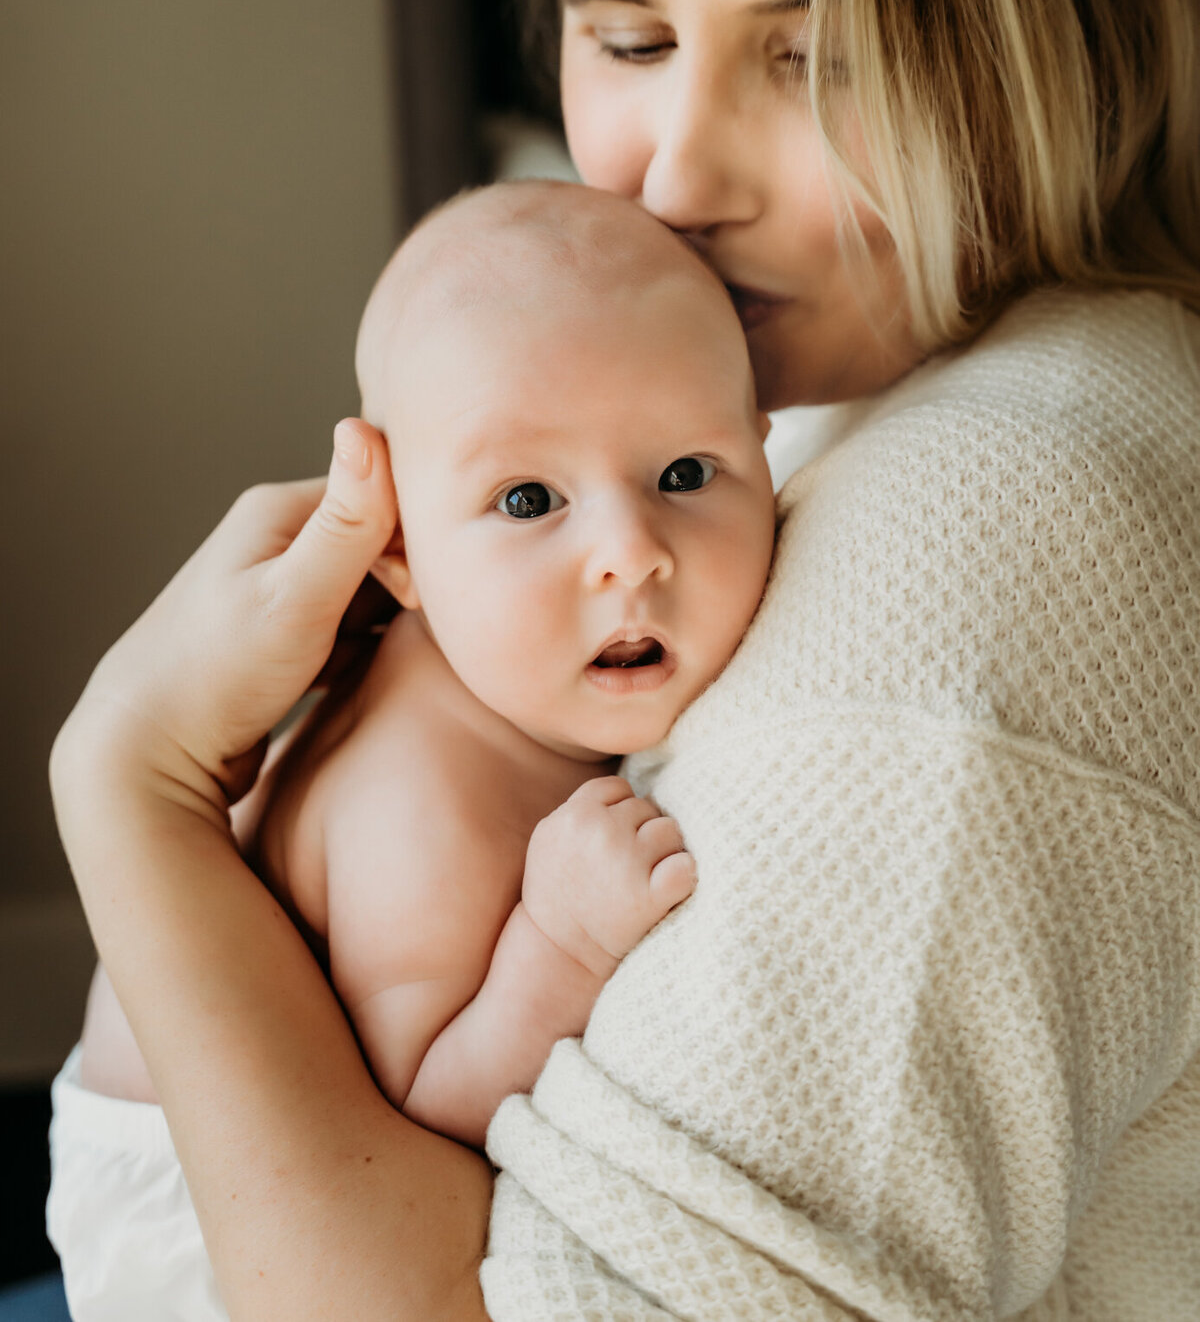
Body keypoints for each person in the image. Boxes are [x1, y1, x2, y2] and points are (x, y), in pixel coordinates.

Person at [44, 0, 1200, 1318]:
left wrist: (128, 788)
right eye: (629, 37)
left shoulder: (992, 527)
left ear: (1064, 19)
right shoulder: (835, 380)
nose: (672, 175)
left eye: (822, 54)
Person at [46, 180, 777, 1317]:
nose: (631, 554)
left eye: (686, 473)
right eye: (530, 497)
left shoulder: (515, 674)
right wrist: (560, 946)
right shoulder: (421, 801)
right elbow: (418, 1116)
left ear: (766, 455)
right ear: (396, 554)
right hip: (183, 1222)